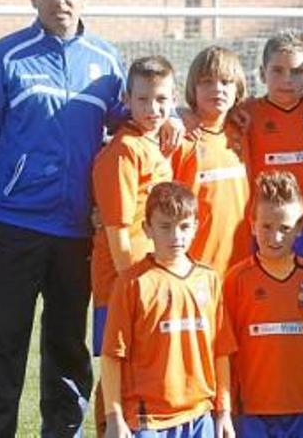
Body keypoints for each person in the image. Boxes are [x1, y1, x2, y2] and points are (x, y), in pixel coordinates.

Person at [0, 0, 179, 434]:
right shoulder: (6, 57)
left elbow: (133, 118)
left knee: (67, 354)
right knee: (3, 349)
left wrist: (176, 120)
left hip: (76, 235)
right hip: (13, 227)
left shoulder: (107, 63)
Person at [101, 182, 236, 438]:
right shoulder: (132, 284)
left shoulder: (209, 280)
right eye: (165, 227)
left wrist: (224, 411)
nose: (176, 237)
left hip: (199, 416)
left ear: (196, 226)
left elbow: (222, 352)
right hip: (148, 421)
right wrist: (114, 416)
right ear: (147, 229)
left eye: (184, 227)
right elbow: (111, 356)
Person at [90, 55, 176, 431]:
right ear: (126, 98)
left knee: (140, 371)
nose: (152, 109)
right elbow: (119, 232)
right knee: (117, 373)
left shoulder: (151, 143)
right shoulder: (124, 150)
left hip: (146, 280)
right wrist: (134, 287)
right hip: (122, 285)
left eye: (161, 100)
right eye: (142, 100)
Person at [223, 171, 303, 437]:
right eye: (266, 226)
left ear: (299, 228)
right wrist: (224, 406)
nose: (275, 237)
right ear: (252, 224)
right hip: (250, 412)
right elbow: (225, 352)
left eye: (285, 228)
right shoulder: (236, 280)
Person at [241, 30, 303, 309]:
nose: (287, 79)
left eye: (297, 71)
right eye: (278, 70)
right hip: (268, 230)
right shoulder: (244, 115)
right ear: (262, 73)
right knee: (267, 309)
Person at [171, 46, 251, 276]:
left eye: (226, 82)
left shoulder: (244, 131)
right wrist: (174, 114)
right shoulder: (181, 138)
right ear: (192, 89)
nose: (217, 89)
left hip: (241, 268)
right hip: (195, 270)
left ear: (238, 89)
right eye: (207, 82)